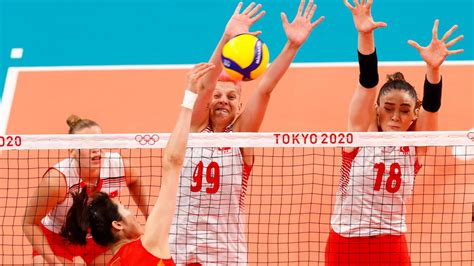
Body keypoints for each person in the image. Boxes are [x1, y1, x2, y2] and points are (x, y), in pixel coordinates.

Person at [169, 0, 324, 264]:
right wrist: (227, 38)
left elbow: (265, 88)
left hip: (226, 252)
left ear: (240, 105)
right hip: (182, 247)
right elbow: (205, 85)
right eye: (218, 95)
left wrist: (292, 46)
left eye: (231, 96)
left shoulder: (242, 136)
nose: (223, 100)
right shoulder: (193, 129)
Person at [325, 0, 464, 265]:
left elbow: (432, 107)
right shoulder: (359, 135)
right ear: (377, 109)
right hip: (345, 244)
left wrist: (433, 70)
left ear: (414, 114)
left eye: (404, 110)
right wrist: (365, 35)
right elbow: (367, 82)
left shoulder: (415, 146)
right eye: (388, 108)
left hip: (391, 245)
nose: (396, 116)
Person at [60, 63, 215, 266]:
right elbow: (173, 161)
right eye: (125, 210)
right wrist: (190, 96)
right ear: (117, 225)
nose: (132, 214)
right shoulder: (150, 244)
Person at [23, 115, 151, 265]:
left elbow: (134, 180)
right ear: (72, 151)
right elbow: (29, 223)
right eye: (87, 144)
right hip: (58, 240)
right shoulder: (57, 181)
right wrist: (55, 263)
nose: (96, 149)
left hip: (99, 240)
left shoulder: (117, 166)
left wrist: (149, 216)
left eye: (99, 142)